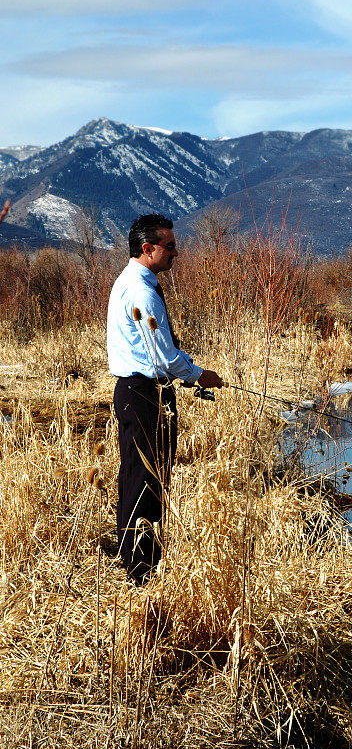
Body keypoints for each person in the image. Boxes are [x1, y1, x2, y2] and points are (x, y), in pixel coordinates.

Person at [107, 213, 222, 585]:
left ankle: (132, 559)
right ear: (148, 249)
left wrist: (183, 368)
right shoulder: (142, 292)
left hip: (134, 391)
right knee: (148, 480)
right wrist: (199, 374)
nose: (176, 252)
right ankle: (143, 572)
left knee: (134, 475)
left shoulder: (129, 281)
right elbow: (164, 358)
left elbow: (160, 350)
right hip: (145, 394)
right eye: (169, 246)